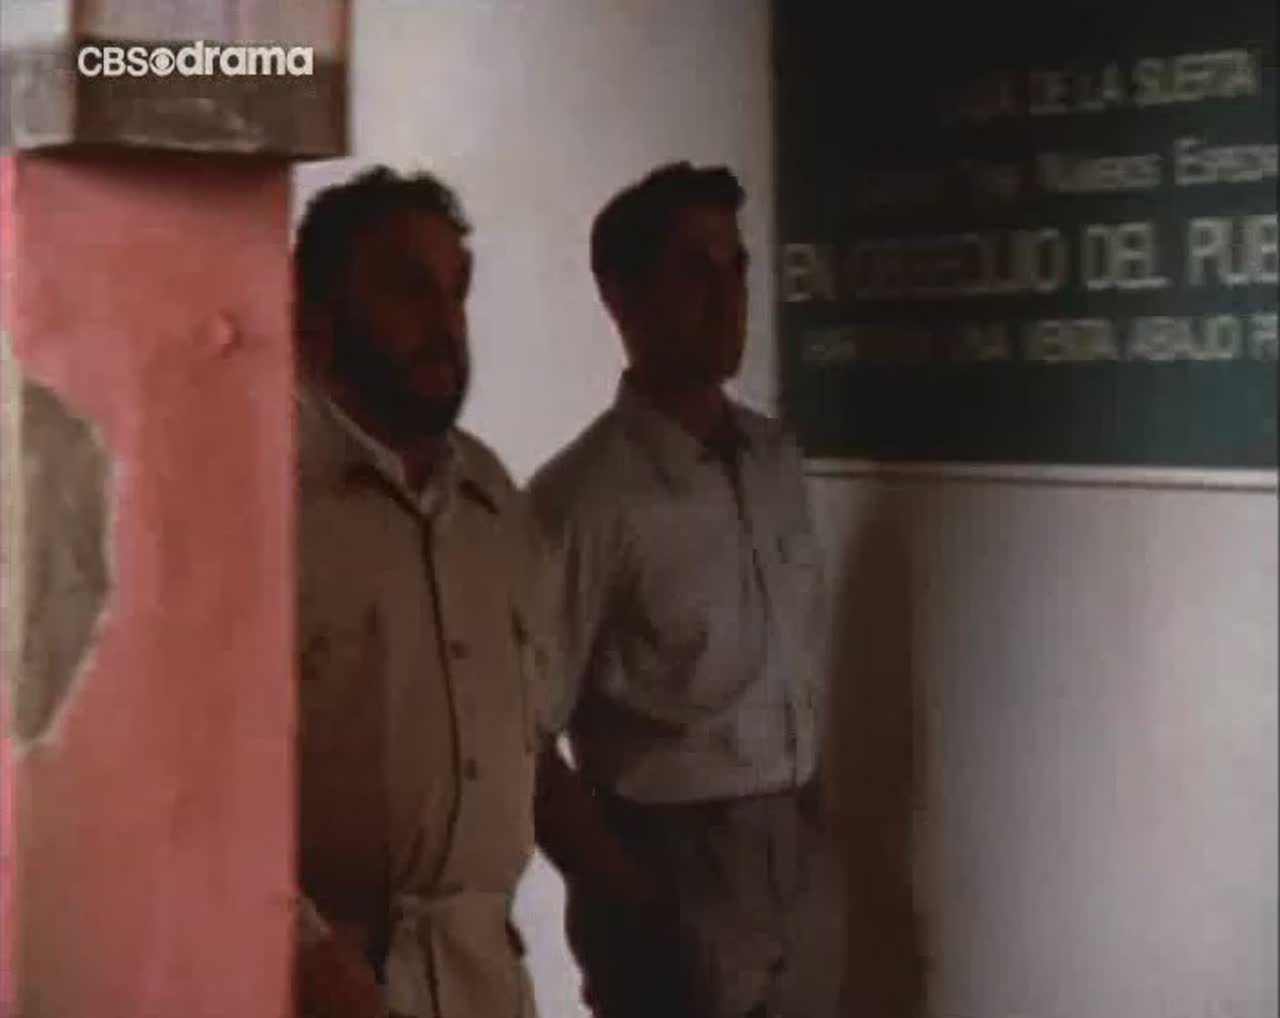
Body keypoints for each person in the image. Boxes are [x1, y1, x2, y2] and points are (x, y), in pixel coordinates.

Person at [529, 162, 845, 1018]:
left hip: (795, 856)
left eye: (736, 267)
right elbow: (519, 738)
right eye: (694, 270)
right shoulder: (584, 501)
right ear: (622, 298)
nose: (727, 295)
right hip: (671, 859)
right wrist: (628, 895)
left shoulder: (775, 462)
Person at [291, 167, 560, 1018]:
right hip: (324, 985)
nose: (445, 323)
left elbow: (530, 740)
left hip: (485, 982)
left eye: (456, 291)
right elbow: (193, 782)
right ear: (314, 319)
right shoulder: (260, 500)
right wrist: (307, 958)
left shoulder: (492, 499)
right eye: (409, 289)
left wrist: (616, 884)